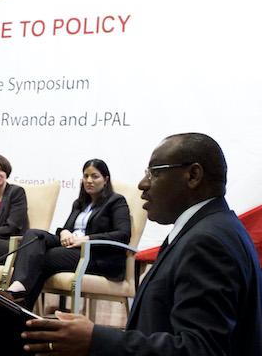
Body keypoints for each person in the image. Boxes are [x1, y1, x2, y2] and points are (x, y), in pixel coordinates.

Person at [21, 133, 262, 356]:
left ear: (193, 175)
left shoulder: (207, 242)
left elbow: (199, 350)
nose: (142, 184)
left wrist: (97, 340)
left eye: (154, 173)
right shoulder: (206, 229)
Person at [0, 159, 131, 309]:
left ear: (106, 179)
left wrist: (86, 239)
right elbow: (67, 228)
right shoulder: (80, 203)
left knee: (44, 257)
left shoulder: (116, 201)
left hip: (95, 255)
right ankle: (18, 290)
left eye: (95, 176)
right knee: (34, 235)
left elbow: (123, 235)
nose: (89, 180)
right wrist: (64, 232)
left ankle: (19, 303)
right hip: (70, 248)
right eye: (86, 176)